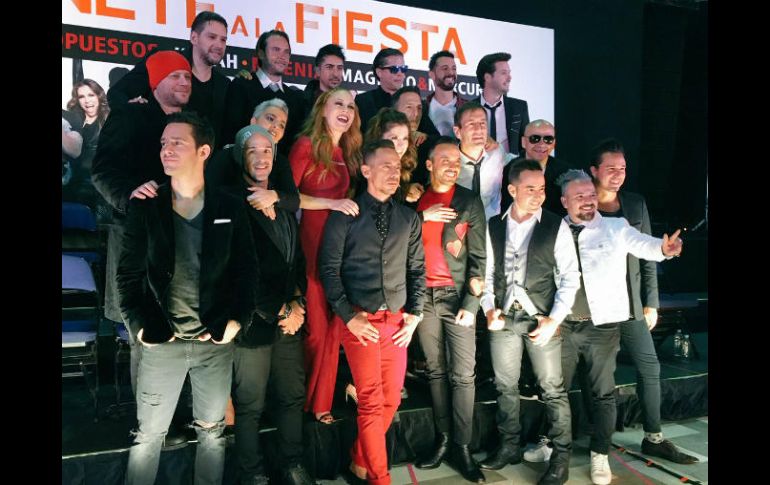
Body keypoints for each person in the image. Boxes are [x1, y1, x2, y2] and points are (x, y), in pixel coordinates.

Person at [118, 111, 258, 485]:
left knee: (212, 433)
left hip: (214, 342)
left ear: (203, 151)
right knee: (148, 436)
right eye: (164, 143)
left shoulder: (229, 205)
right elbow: (127, 276)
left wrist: (237, 321)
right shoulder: (146, 204)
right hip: (161, 343)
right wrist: (140, 327)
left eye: (177, 142)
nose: (166, 149)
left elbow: (247, 271)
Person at [92, 50, 193, 448]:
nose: (184, 82)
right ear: (156, 83)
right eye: (175, 76)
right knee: (144, 333)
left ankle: (177, 419)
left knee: (179, 326)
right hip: (135, 236)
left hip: (178, 240)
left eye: (187, 77)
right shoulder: (129, 116)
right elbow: (102, 171)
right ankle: (150, 426)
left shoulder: (190, 124)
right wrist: (129, 194)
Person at [556, 169, 683, 485]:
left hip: (602, 326)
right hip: (563, 325)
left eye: (590, 194)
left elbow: (644, 245)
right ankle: (552, 446)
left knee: (603, 393)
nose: (588, 200)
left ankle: (600, 454)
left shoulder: (616, 227)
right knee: (555, 391)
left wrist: (663, 249)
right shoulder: (553, 228)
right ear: (564, 201)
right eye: (579, 196)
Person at [319, 139, 426, 485]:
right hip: (359, 320)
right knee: (370, 400)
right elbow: (328, 271)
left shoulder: (408, 218)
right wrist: (349, 316)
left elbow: (417, 270)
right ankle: (380, 478)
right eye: (386, 166)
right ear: (366, 170)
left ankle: (359, 459)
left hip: (397, 321)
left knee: (391, 399)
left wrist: (415, 314)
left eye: (397, 167)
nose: (394, 173)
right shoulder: (345, 216)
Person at [477, 160, 580, 485]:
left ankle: (561, 458)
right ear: (512, 190)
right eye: (530, 188)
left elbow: (571, 278)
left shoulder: (555, 225)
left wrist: (554, 319)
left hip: (540, 319)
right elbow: (485, 275)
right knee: (505, 385)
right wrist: (489, 309)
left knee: (552, 389)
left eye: (542, 189)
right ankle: (509, 446)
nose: (538, 195)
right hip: (504, 317)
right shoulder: (493, 225)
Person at [227, 125, 316, 485]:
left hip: (288, 319)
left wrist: (297, 303)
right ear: (241, 157)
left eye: (267, 150)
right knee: (251, 405)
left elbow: (296, 262)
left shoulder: (282, 203)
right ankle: (252, 474)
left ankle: (292, 464)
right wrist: (281, 310)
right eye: (253, 151)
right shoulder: (232, 204)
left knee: (292, 396)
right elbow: (236, 271)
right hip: (254, 324)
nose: (261, 157)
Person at [412, 137, 487, 483]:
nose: (453, 166)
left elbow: (479, 258)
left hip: (456, 297)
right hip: (422, 297)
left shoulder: (469, 201)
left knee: (464, 375)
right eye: (445, 160)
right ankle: (443, 439)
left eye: (456, 161)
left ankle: (463, 446)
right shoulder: (413, 199)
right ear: (429, 165)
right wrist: (418, 215)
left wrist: (472, 304)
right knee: (436, 372)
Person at [290, 87, 363, 424]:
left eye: (351, 106)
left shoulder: (348, 150)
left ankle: (321, 404)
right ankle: (303, 402)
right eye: (338, 103)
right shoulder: (306, 145)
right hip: (311, 243)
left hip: (340, 246)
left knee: (335, 327)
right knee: (317, 331)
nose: (346, 110)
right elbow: (288, 198)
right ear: (322, 109)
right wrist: (331, 203)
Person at [107, 11, 230, 143]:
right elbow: (117, 93)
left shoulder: (225, 85)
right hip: (152, 150)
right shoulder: (162, 61)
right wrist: (134, 113)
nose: (219, 45)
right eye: (212, 37)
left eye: (223, 40)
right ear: (194, 38)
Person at [222, 29, 307, 152]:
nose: (282, 56)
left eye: (286, 52)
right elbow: (230, 135)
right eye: (276, 50)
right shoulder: (241, 86)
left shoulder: (295, 98)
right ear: (261, 54)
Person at [453, 102, 515, 219]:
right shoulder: (449, 162)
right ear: (457, 132)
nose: (479, 129)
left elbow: (517, 162)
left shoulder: (497, 152)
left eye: (482, 123)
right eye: (471, 124)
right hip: (458, 224)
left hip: (493, 223)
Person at [63, 79, 111, 216]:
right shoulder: (73, 119)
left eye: (91, 95)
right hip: (74, 178)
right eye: (81, 97)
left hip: (98, 182)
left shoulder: (110, 118)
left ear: (99, 96)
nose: (87, 101)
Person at [501, 120, 567, 216]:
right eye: (535, 138)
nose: (542, 144)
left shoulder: (565, 172)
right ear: (523, 142)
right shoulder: (508, 169)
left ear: (553, 143)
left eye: (548, 139)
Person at [475, 52, 529, 156]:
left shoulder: (519, 107)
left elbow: (525, 146)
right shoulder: (467, 109)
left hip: (511, 165)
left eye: (509, 73)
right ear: (487, 77)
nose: (509, 78)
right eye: (504, 73)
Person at [364, 108, 422, 203]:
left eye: (405, 138)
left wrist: (405, 190)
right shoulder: (368, 170)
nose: (401, 145)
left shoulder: (406, 166)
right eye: (394, 138)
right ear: (379, 137)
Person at [355, 48, 407, 133]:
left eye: (403, 69)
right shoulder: (361, 102)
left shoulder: (413, 102)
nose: (400, 74)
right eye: (394, 69)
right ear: (379, 72)